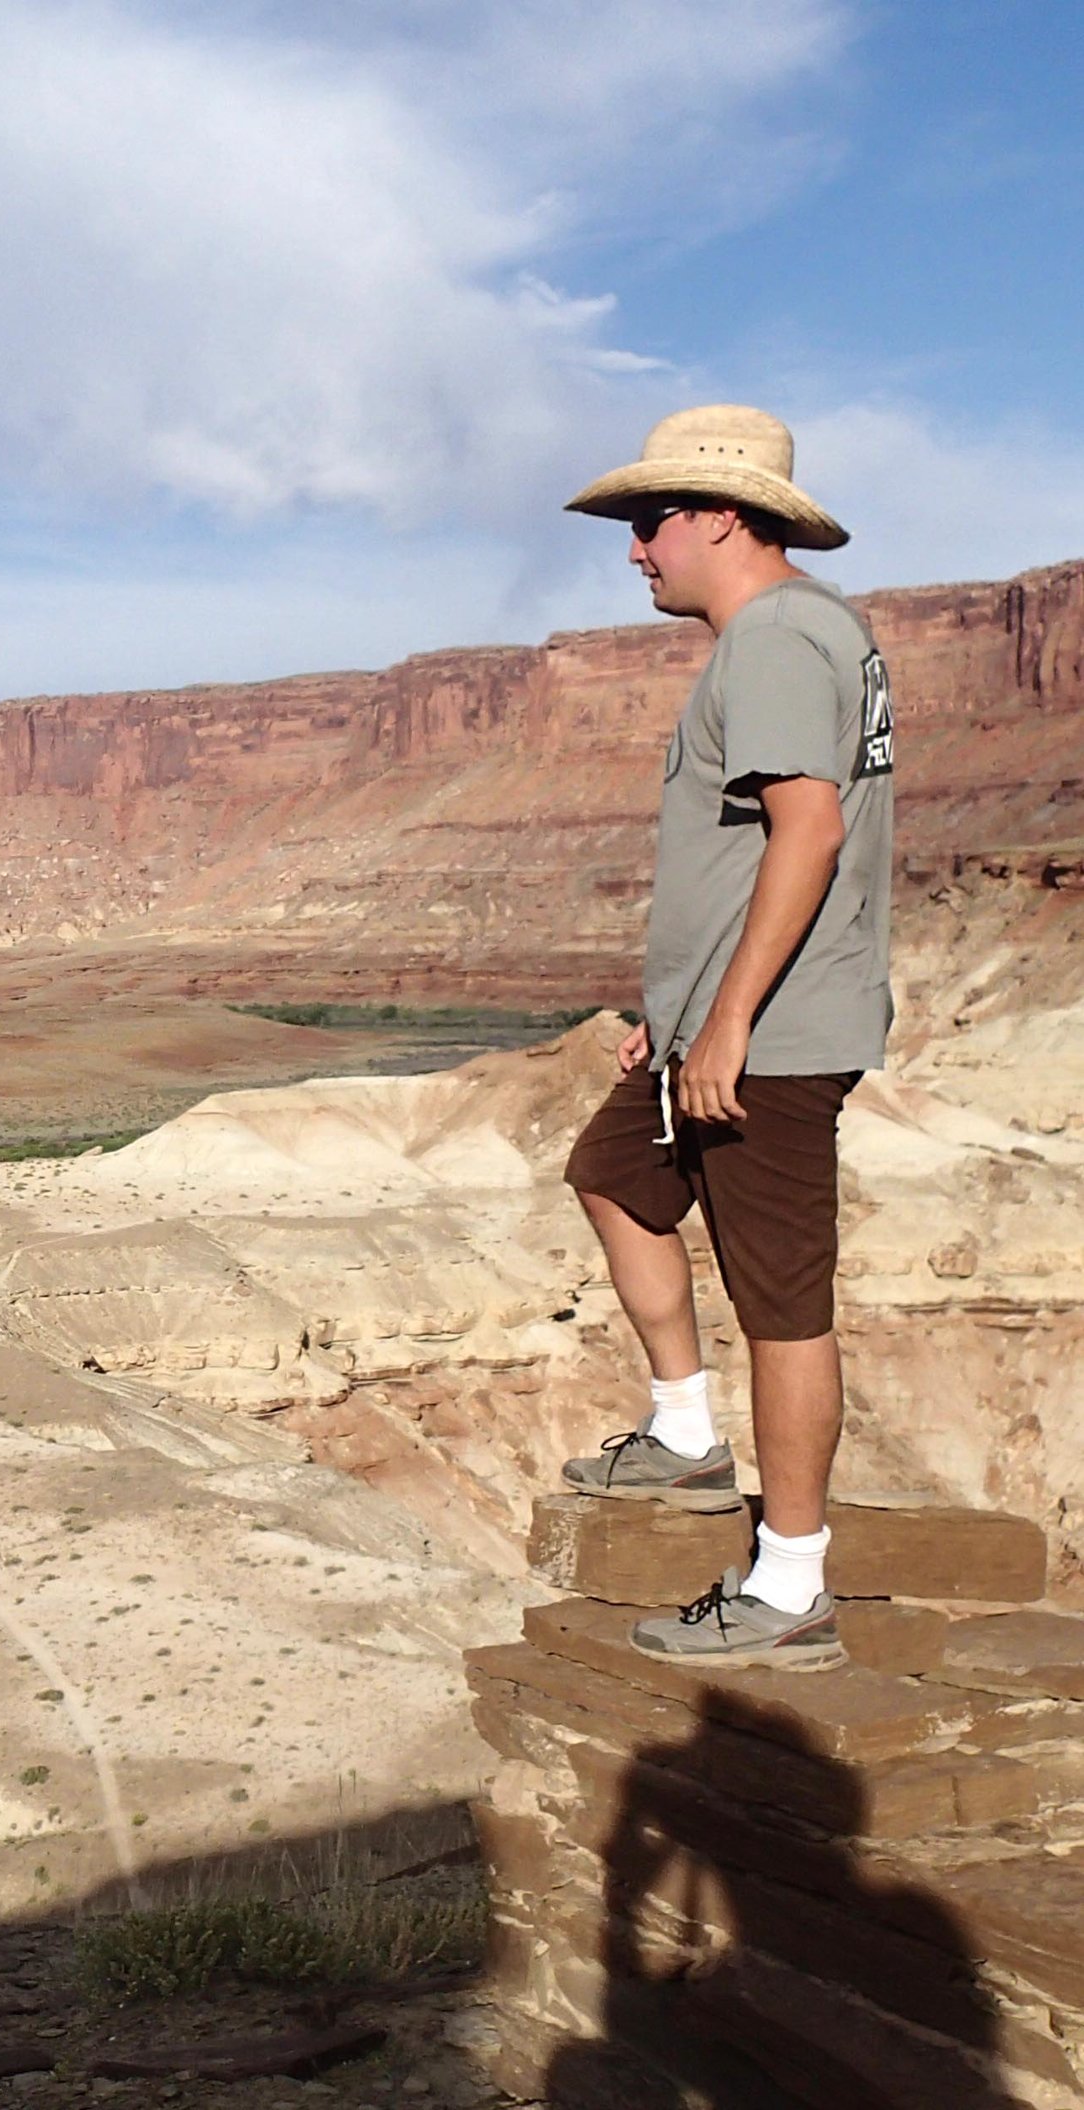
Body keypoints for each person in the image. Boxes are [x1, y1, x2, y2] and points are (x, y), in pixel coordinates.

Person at [554, 405, 896, 1669]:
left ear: (719, 517)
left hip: (775, 1041)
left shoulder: (778, 640)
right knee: (611, 1174)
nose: (635, 551)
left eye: (648, 524)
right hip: (716, 1028)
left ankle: (790, 1583)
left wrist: (732, 1024)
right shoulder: (795, 637)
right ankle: (687, 1436)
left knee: (783, 1307)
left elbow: (808, 832)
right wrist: (681, 1010)